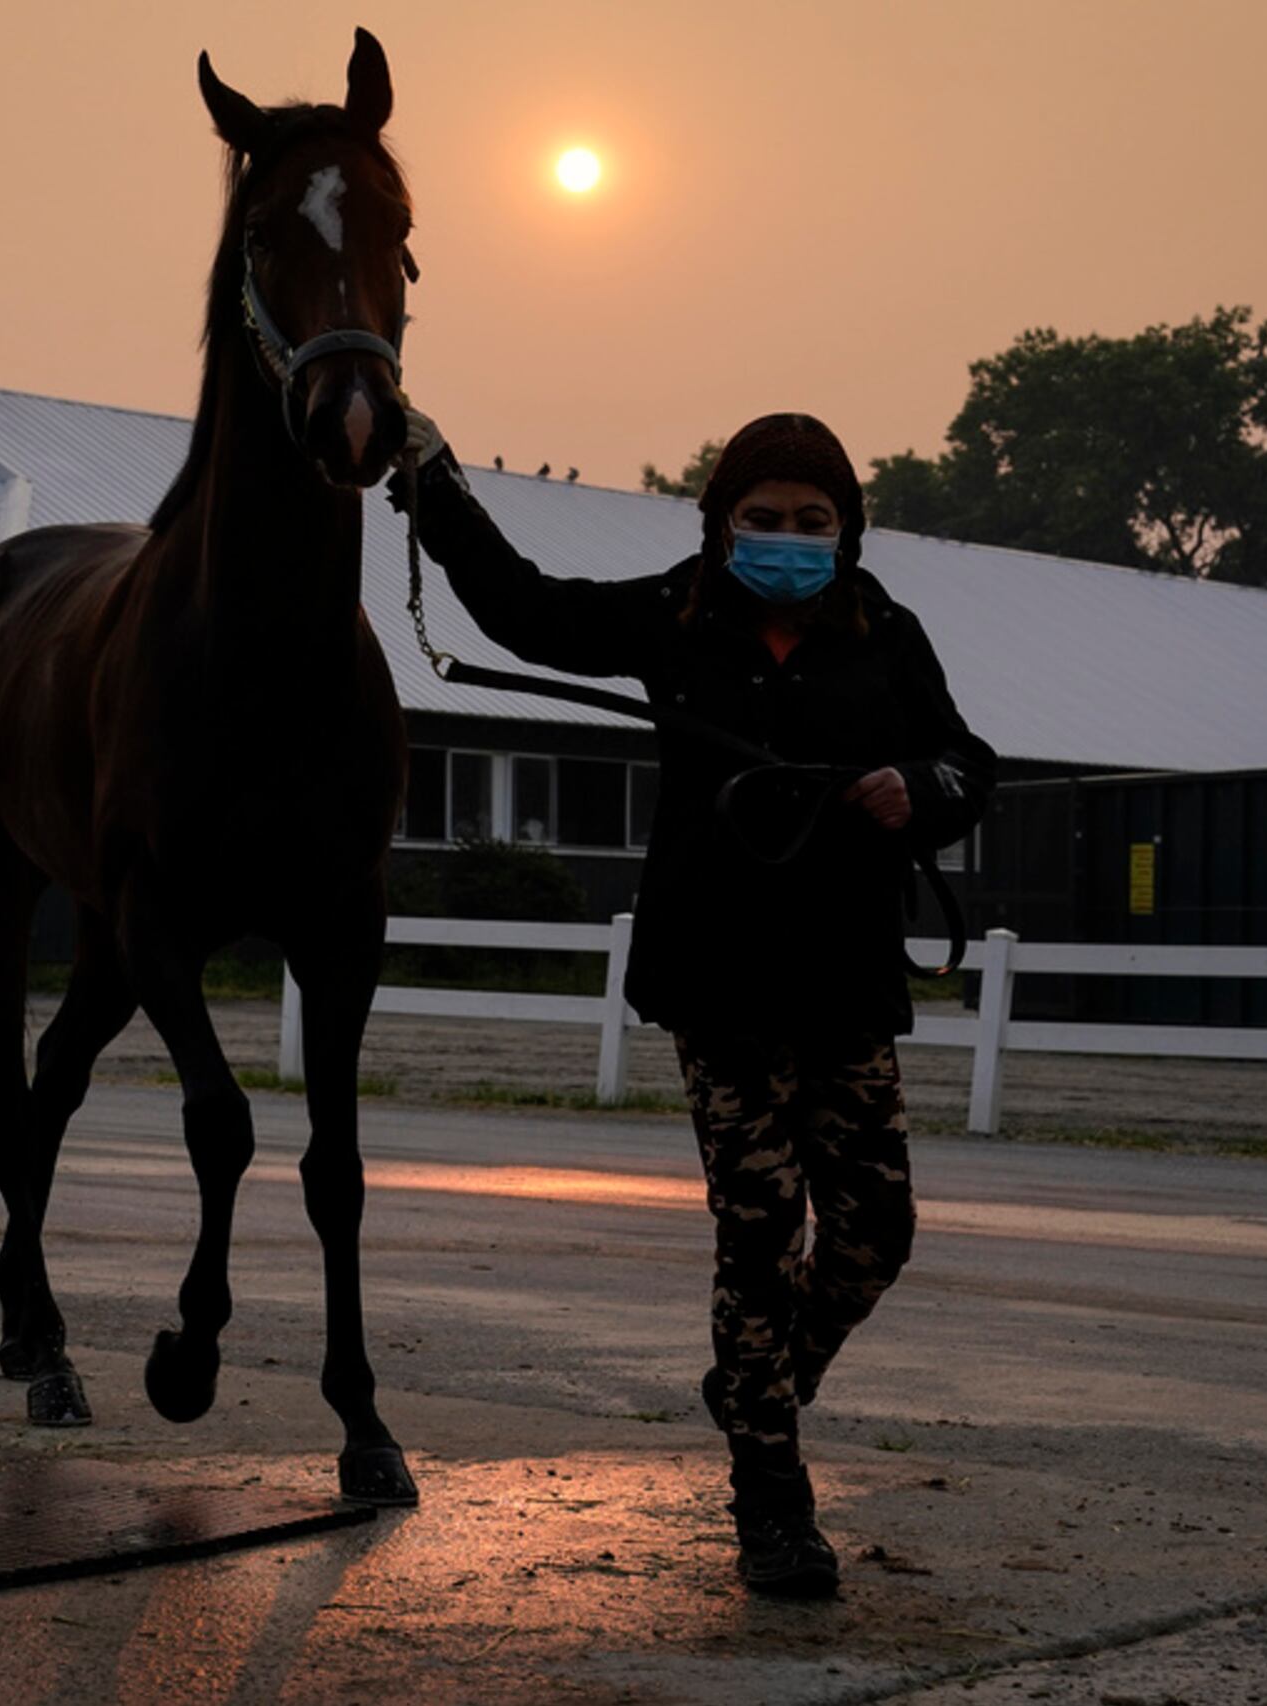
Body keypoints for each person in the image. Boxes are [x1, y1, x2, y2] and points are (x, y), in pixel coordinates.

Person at [389, 407, 995, 1597]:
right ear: (720, 525)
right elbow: (524, 608)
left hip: (844, 982)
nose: (785, 539)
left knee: (876, 1231)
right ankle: (771, 1506)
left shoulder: (887, 634)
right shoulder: (671, 617)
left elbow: (972, 762)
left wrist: (920, 787)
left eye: (810, 522)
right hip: (719, 983)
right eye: (761, 519)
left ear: (847, 531)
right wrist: (435, 486)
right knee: (758, 1239)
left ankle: (752, 1385)